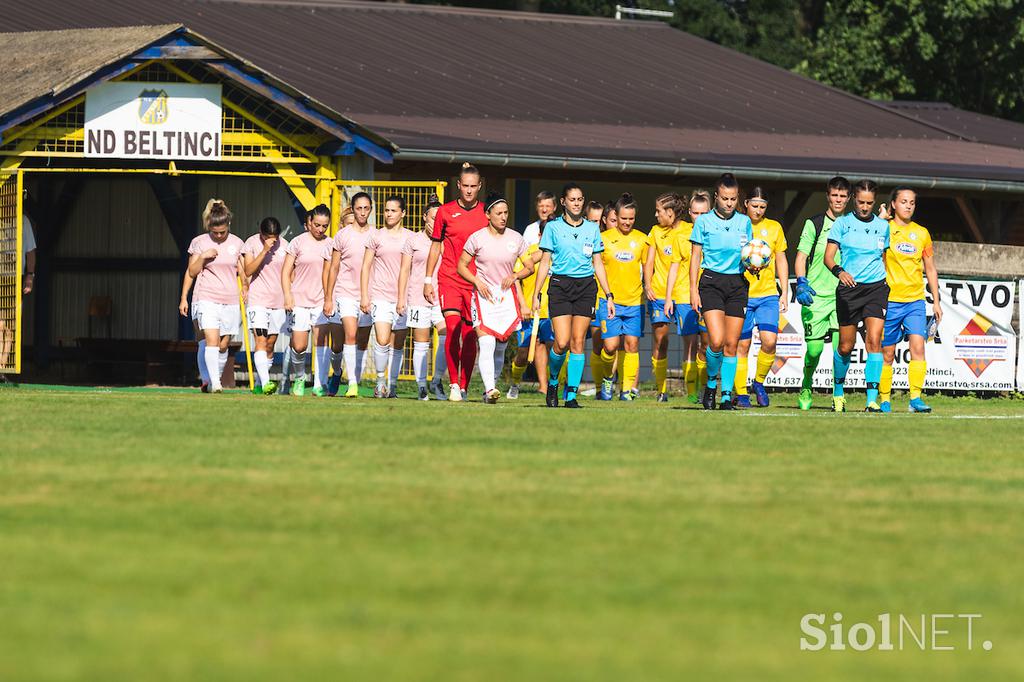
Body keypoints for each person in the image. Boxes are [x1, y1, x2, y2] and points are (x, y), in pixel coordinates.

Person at [533, 183, 615, 408]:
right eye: (572, 199)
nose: (577, 203)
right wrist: (536, 293)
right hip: (560, 286)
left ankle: (571, 395)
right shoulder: (553, 228)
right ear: (563, 202)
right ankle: (552, 382)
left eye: (580, 199)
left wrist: (609, 294)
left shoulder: (592, 228)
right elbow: (544, 263)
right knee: (561, 342)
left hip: (586, 288)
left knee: (578, 342)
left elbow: (598, 263)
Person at [823, 179, 890, 413]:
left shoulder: (883, 227)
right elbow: (828, 257)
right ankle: (838, 394)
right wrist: (839, 272)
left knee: (874, 341)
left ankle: (872, 400)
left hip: (876, 289)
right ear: (854, 199)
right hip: (849, 290)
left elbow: (883, 258)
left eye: (869, 203)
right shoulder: (842, 224)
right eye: (861, 202)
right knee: (845, 346)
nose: (864, 207)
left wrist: (886, 281)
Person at [458, 192, 531, 403]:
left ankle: (492, 387)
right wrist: (477, 282)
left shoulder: (516, 238)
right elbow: (461, 266)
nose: (503, 217)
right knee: (487, 342)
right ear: (488, 214)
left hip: (506, 298)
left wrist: (515, 275)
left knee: (501, 345)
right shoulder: (477, 238)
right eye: (498, 213)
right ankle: (490, 390)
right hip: (483, 296)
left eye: (506, 212)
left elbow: (529, 267)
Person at [424, 163, 487, 402]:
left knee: (470, 335)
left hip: (475, 283)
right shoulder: (445, 212)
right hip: (449, 278)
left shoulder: (486, 213)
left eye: (473, 186)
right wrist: (428, 280)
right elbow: (435, 245)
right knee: (452, 328)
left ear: (479, 186)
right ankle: (451, 383)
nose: (469, 191)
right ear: (458, 185)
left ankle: (463, 385)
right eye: (465, 186)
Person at [690, 173, 753, 410]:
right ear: (716, 197)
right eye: (725, 198)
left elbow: (750, 253)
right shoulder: (704, 222)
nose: (729, 203)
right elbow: (695, 258)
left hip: (737, 284)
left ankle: (726, 396)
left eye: (733, 199)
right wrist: (693, 291)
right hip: (711, 282)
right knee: (715, 341)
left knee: (731, 344)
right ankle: (710, 385)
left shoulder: (744, 222)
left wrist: (755, 265)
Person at [878, 187, 941, 413]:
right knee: (887, 353)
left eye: (912, 202)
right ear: (893, 204)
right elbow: (868, 248)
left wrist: (936, 301)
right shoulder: (884, 229)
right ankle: (884, 398)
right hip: (889, 301)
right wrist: (879, 220)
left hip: (915, 301)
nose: (908, 206)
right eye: (903, 201)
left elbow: (931, 269)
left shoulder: (922, 233)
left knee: (918, 347)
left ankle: (915, 398)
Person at [794, 176, 851, 410]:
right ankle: (806, 384)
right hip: (816, 297)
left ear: (849, 199)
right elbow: (801, 258)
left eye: (843, 196)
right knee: (814, 351)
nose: (838, 200)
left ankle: (838, 394)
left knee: (843, 348)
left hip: (844, 296)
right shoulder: (814, 224)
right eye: (834, 195)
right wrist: (801, 282)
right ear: (828, 196)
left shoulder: (852, 225)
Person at [733, 188, 789, 408]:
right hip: (741, 294)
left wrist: (784, 290)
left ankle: (758, 382)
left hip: (767, 295)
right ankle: (741, 393)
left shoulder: (774, 227)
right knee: (742, 346)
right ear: (746, 203)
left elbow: (782, 259)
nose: (758, 210)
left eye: (762, 207)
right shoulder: (737, 225)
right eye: (754, 206)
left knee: (769, 341)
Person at [185, 199, 245, 393]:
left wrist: (245, 287)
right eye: (215, 232)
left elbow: (242, 271)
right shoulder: (199, 242)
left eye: (222, 232)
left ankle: (213, 379)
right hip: (206, 297)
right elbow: (192, 271)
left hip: (230, 299)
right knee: (210, 339)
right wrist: (203, 256)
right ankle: (214, 383)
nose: (219, 236)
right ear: (209, 226)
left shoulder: (237, 243)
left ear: (229, 225)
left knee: (223, 344)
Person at [594, 193, 647, 401]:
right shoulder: (604, 239)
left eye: (631, 218)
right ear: (616, 215)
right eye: (623, 218)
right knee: (610, 346)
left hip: (634, 302)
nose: (627, 222)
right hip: (609, 302)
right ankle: (608, 378)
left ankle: (626, 391)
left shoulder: (642, 240)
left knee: (632, 345)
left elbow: (648, 269)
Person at [361, 196, 414, 398]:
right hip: (380, 296)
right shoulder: (376, 237)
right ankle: (380, 381)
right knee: (382, 340)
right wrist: (365, 295)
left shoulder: (411, 238)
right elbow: (366, 266)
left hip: (404, 297)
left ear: (403, 213)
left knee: (397, 344)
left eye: (393, 210)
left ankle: (392, 385)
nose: (389, 214)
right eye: (386, 210)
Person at [397, 196, 449, 400]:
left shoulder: (446, 240)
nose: (435, 222)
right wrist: (401, 298)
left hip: (442, 296)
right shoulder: (413, 241)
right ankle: (421, 386)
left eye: (439, 219)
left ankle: (437, 380)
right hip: (418, 297)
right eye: (432, 217)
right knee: (421, 342)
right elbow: (404, 270)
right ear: (424, 217)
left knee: (446, 336)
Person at [323, 192, 374, 398]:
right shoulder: (342, 236)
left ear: (370, 210)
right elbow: (333, 268)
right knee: (347, 337)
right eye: (359, 208)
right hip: (345, 293)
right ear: (353, 208)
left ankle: (354, 378)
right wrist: (328, 297)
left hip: (368, 295)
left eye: (366, 208)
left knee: (362, 341)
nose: (362, 212)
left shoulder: (376, 235)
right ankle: (350, 382)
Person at [665, 189, 712, 403]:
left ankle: (705, 386)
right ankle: (692, 389)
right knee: (690, 343)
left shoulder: (716, 233)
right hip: (684, 296)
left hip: (710, 294)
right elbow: (673, 267)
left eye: (704, 213)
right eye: (695, 213)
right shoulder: (680, 235)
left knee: (707, 343)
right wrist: (668, 298)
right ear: (689, 213)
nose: (699, 218)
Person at [281, 204, 332, 396]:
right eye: (317, 224)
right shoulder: (297, 242)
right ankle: (300, 377)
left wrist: (330, 299)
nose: (320, 229)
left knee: (321, 343)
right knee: (299, 346)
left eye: (324, 226)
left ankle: (319, 384)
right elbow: (285, 272)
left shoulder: (331, 244)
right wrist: (287, 295)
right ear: (309, 222)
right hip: (299, 301)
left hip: (321, 302)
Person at [645, 192, 689, 402]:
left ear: (670, 213)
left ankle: (693, 390)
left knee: (693, 343)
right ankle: (661, 390)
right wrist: (647, 285)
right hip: (659, 294)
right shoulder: (655, 232)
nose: (655, 215)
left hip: (685, 295)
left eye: (659, 211)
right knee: (661, 340)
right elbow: (649, 262)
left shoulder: (690, 230)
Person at [507, 220, 553, 399]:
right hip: (529, 312)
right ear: (541, 236)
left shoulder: (561, 253)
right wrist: (523, 305)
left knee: (556, 347)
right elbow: (516, 278)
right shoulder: (530, 252)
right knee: (524, 353)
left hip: (552, 312)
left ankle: (552, 386)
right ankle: (515, 383)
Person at [242, 216, 288, 394]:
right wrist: (263, 251)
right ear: (261, 234)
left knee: (270, 344)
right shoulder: (251, 243)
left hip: (278, 301)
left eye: (275, 236)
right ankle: (268, 383)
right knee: (260, 340)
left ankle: (262, 383)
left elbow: (289, 272)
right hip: (258, 300)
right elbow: (248, 270)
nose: (272, 240)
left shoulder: (285, 245)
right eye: (268, 236)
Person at [0, 189, 36, 372]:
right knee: (0, 324)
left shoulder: (24, 221)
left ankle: (3, 367)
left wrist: (29, 276)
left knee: (10, 326)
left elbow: (30, 252)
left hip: (15, 277)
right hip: (0, 275)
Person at [591, 202, 617, 397]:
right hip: (593, 296)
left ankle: (617, 385)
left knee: (614, 344)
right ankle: (600, 387)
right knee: (597, 343)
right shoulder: (596, 240)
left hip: (614, 299)